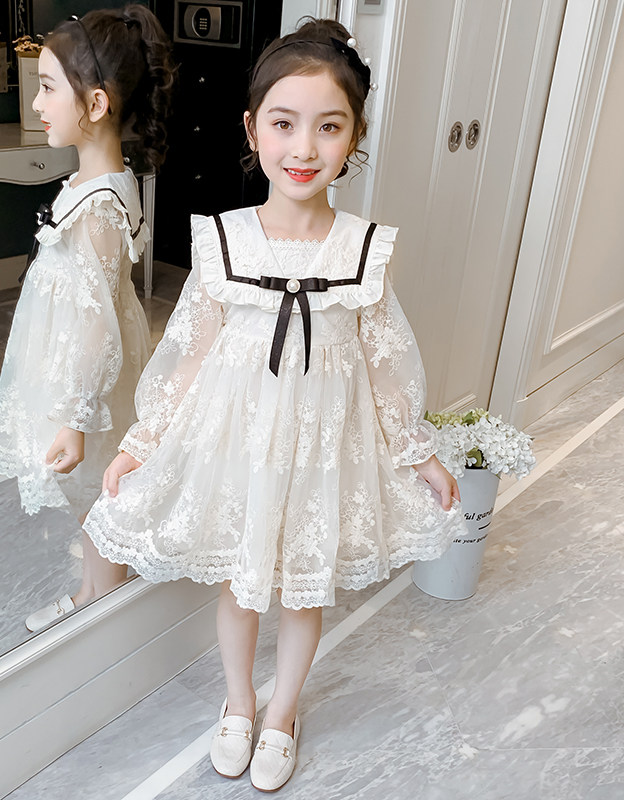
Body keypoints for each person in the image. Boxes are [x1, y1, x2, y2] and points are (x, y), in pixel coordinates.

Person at [83, 17, 465, 792]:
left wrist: (417, 450)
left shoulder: (364, 248)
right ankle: (238, 703)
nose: (304, 148)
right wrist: (141, 441)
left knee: (301, 587)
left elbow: (385, 361)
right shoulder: (223, 240)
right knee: (241, 582)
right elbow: (188, 353)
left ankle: (284, 712)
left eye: (329, 127)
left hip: (321, 449)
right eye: (285, 124)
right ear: (252, 128)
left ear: (354, 137)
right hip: (242, 445)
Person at [0, 5, 176, 632]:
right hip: (68, 361)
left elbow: (96, 327)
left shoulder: (99, 208)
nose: (36, 103)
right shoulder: (98, 184)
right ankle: (92, 595)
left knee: (97, 496)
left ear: (95, 103)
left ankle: (101, 611)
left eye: (47, 88)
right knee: (90, 500)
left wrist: (74, 418)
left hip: (85, 377)